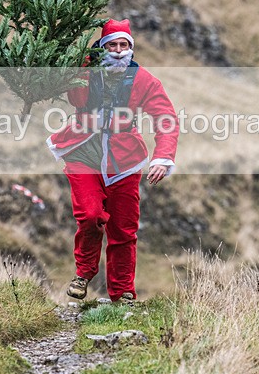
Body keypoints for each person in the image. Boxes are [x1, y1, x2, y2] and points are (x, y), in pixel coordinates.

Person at [45, 18, 180, 303]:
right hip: (82, 150)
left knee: (123, 229)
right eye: (112, 45)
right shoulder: (83, 70)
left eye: (124, 45)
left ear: (130, 48)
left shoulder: (143, 80)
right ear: (101, 47)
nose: (118, 51)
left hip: (124, 159)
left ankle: (122, 293)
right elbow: (56, 72)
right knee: (91, 216)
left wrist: (163, 157)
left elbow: (165, 118)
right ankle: (83, 273)